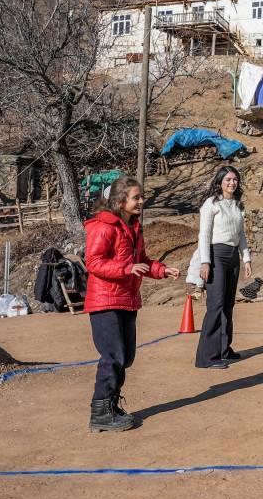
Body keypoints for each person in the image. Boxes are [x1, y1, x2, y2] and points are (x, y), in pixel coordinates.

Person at [83, 176, 180, 432]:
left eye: (141, 197)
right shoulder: (103, 226)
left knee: (125, 357)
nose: (141, 201)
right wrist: (126, 268)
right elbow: (93, 262)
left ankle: (111, 406)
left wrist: (162, 270)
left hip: (127, 299)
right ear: (120, 200)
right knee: (113, 356)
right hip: (105, 301)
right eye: (136, 197)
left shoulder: (133, 227)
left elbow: (142, 261)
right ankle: (100, 413)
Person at [194, 166, 252, 370]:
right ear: (220, 182)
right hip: (216, 255)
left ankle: (224, 349)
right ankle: (207, 357)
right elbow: (204, 234)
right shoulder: (211, 204)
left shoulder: (237, 205)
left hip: (233, 256)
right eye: (228, 179)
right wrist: (205, 262)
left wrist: (246, 258)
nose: (232, 183)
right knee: (216, 305)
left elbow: (241, 234)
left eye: (235, 179)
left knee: (228, 304)